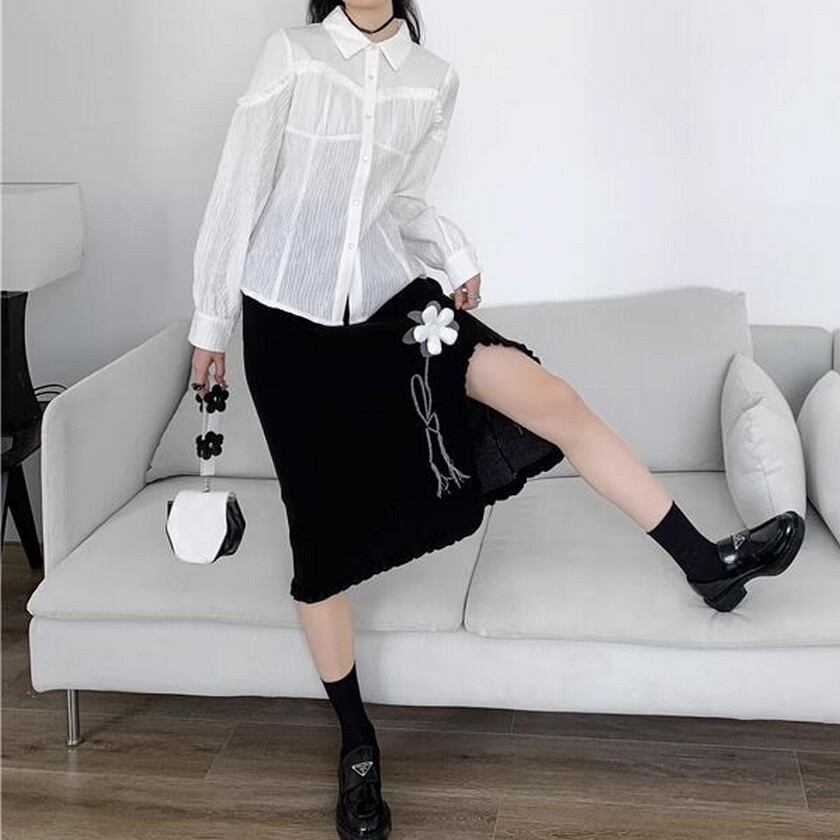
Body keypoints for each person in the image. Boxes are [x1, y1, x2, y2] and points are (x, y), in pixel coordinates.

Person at [187, 3, 806, 838]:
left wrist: (454, 254)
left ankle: (706, 563)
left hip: (392, 303)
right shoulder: (292, 55)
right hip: (287, 323)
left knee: (553, 402)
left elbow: (404, 199)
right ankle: (359, 743)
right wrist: (209, 325)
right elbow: (240, 185)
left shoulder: (432, 78)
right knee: (319, 537)